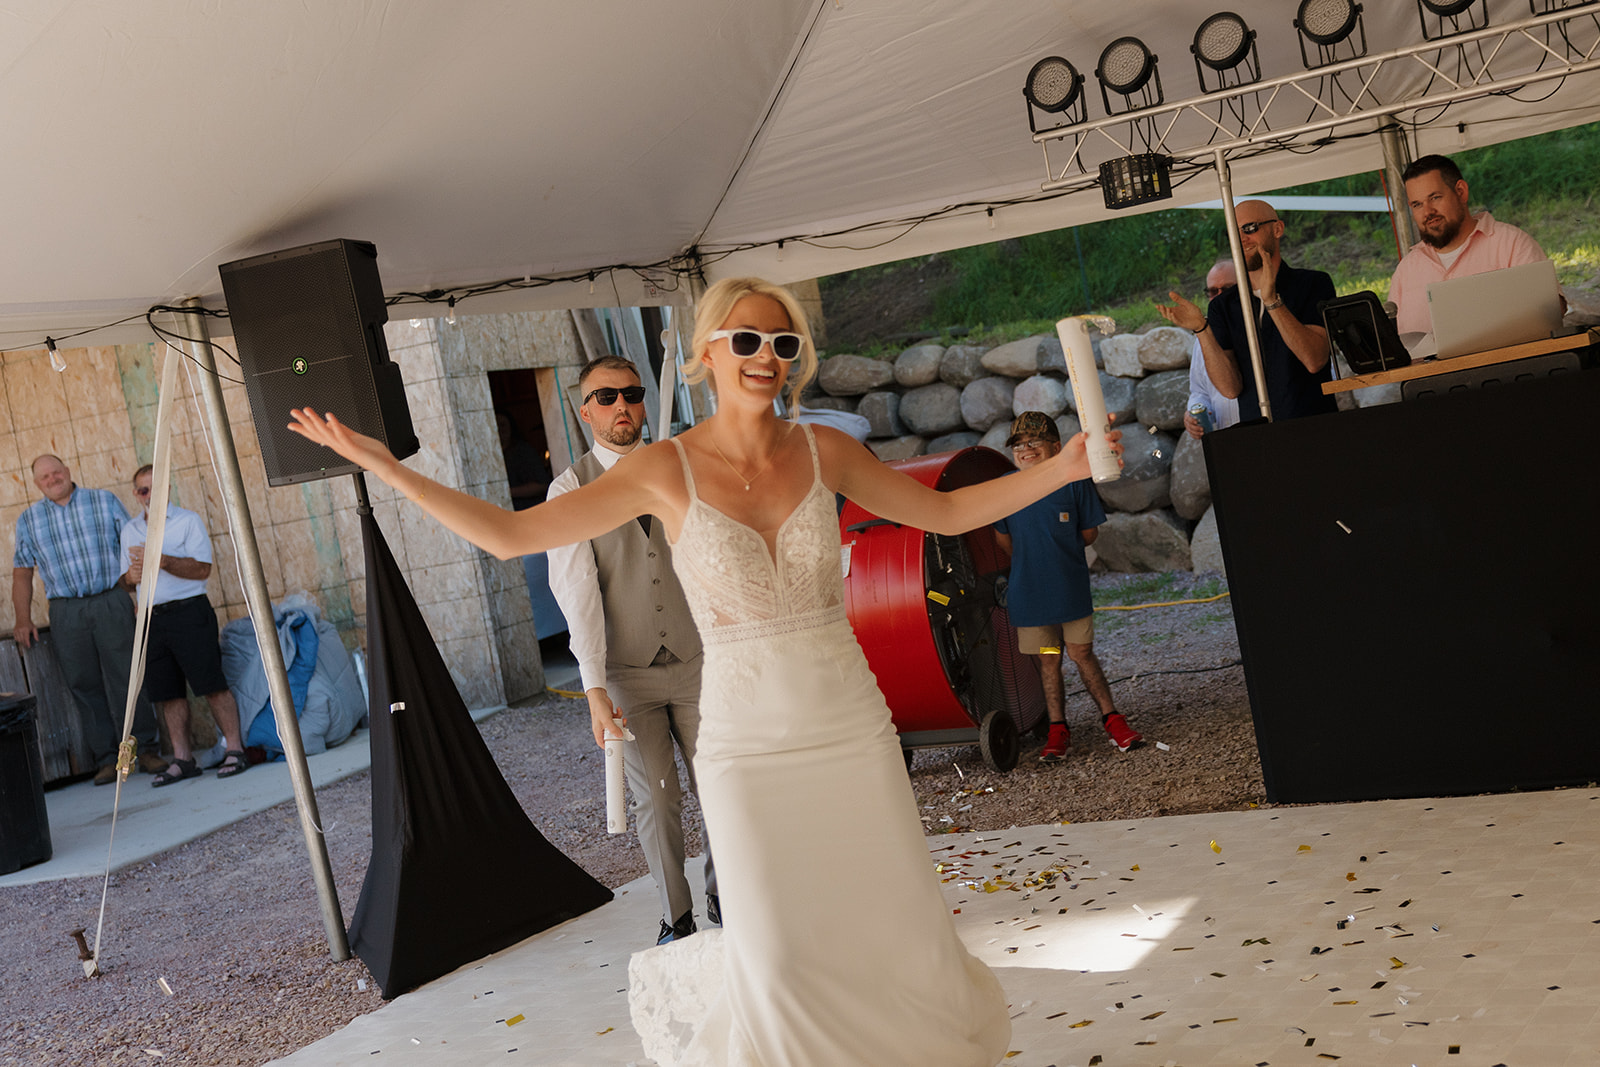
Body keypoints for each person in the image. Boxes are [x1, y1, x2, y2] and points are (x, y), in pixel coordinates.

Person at [286, 276, 1120, 1067]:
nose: (767, 355)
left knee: (889, 914)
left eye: (783, 342)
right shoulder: (663, 467)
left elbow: (943, 510)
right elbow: (510, 536)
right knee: (776, 941)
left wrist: (1061, 468)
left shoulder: (825, 450)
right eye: (747, 338)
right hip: (745, 742)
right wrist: (385, 467)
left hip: (848, 725)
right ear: (707, 352)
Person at [546, 354, 715, 946]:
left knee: (720, 782)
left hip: (699, 658)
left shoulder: (680, 465)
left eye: (633, 394)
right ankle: (677, 916)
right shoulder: (570, 489)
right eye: (608, 396)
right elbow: (577, 594)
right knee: (657, 799)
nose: (623, 405)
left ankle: (727, 897)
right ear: (585, 410)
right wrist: (594, 688)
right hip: (627, 672)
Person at [994, 412, 1142, 761]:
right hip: (1030, 594)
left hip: (1069, 589)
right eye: (1019, 444)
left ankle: (1112, 720)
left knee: (1081, 652)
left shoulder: (1075, 481)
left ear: (1057, 447)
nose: (1026, 449)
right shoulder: (1004, 487)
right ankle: (1058, 730)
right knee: (1049, 659)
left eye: (1035, 441)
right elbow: (1003, 541)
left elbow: (1090, 533)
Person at [12, 454, 162, 785]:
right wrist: (23, 618)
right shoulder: (29, 520)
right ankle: (108, 760)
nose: (52, 479)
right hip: (66, 611)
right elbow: (22, 572)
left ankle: (145, 750)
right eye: (44, 477)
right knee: (84, 685)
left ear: (67, 471)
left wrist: (138, 597)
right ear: (36, 484)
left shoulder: (103, 501)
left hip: (110, 599)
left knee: (127, 677)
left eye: (56, 472)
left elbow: (132, 549)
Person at [119, 464, 249, 785]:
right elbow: (126, 581)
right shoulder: (130, 530)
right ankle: (183, 759)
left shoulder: (187, 521)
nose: (150, 495)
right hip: (151, 618)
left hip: (189, 612)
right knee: (168, 693)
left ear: (167, 488)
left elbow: (203, 570)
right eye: (144, 490)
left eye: (156, 488)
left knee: (211, 684)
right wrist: (130, 578)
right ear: (136, 494)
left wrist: (161, 560)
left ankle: (235, 749)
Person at [1157, 199, 1336, 421]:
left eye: (1250, 228)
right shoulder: (1222, 306)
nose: (1241, 238)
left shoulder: (1313, 283)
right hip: (1257, 434)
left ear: (1277, 229)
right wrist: (1202, 330)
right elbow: (1230, 388)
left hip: (1316, 426)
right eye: (1234, 232)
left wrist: (1272, 302)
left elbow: (1314, 360)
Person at [1388, 153, 1559, 337]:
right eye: (1417, 204)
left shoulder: (1512, 244)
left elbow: (1552, 312)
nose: (1428, 212)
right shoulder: (1406, 271)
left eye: (1435, 197)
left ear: (1461, 192)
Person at [1184, 258, 1241, 438]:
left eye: (1227, 289)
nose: (1219, 297)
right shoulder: (1203, 337)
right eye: (1213, 291)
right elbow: (1200, 392)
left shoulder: (1260, 329)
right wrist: (1194, 413)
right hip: (1226, 441)